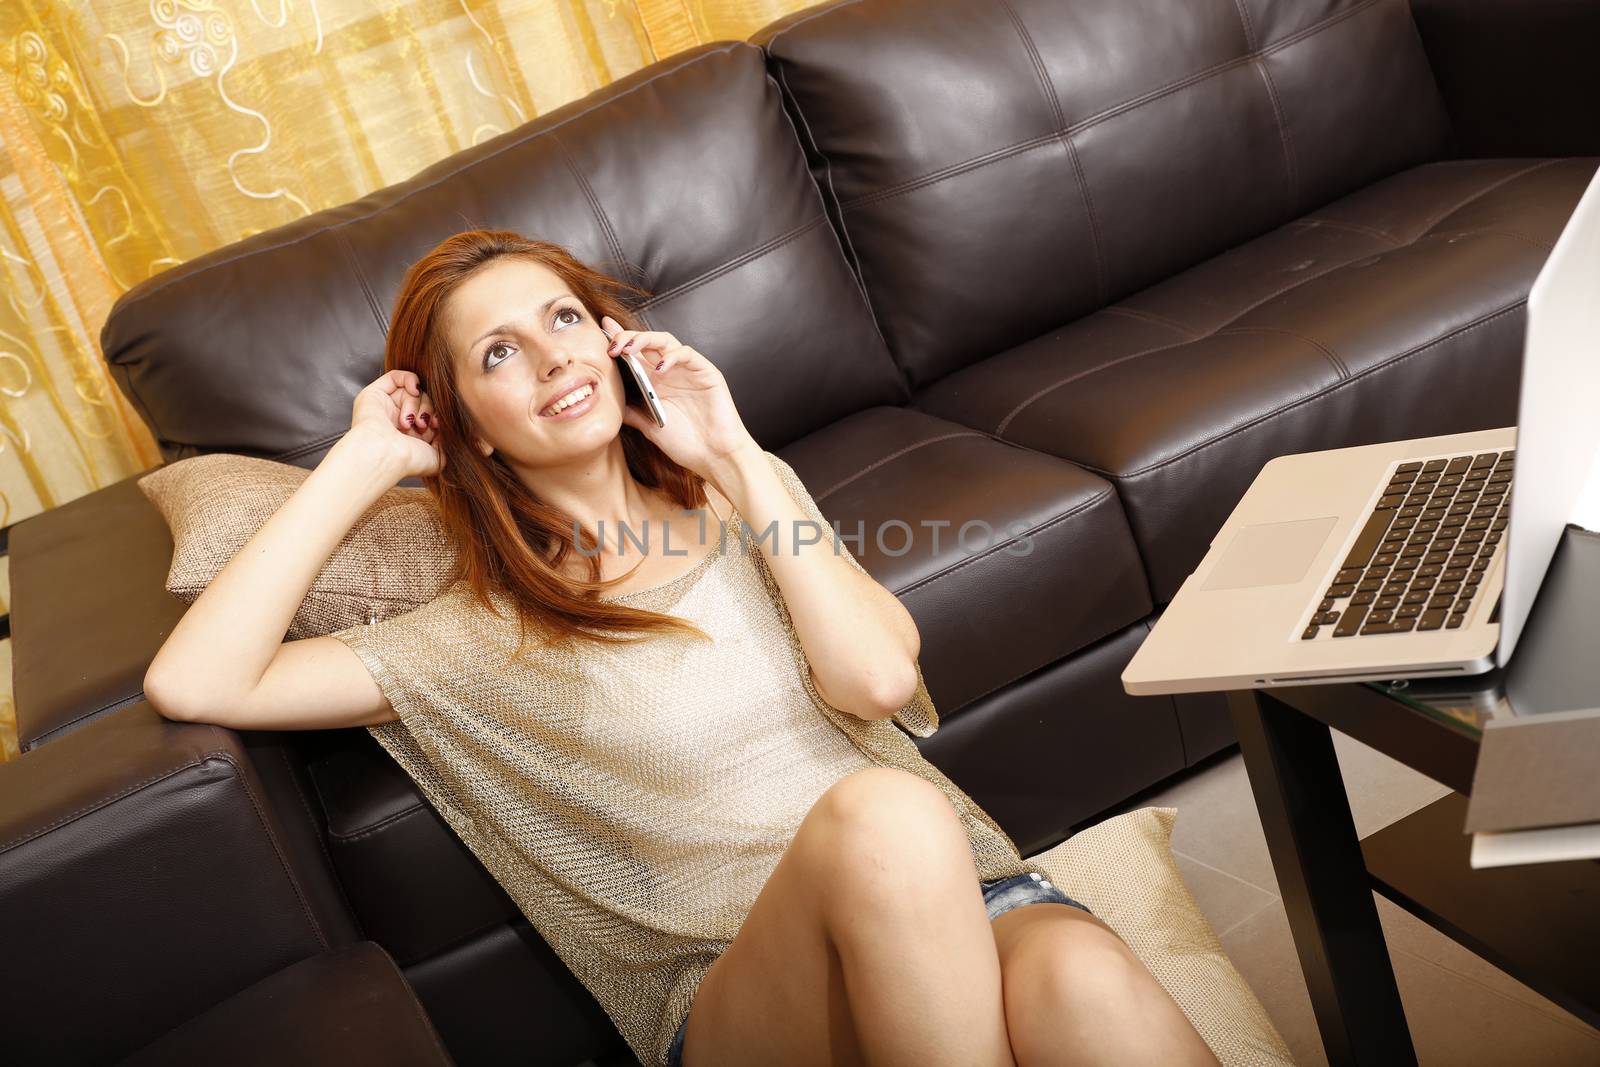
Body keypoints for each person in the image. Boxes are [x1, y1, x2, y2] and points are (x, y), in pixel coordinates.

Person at [143, 230, 1221, 1067]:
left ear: (613, 345)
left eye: (564, 316)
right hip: (742, 992)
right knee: (885, 807)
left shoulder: (742, 499)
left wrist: (739, 454)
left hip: (967, 900)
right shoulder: (475, 636)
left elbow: (879, 679)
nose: (552, 354)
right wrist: (366, 458)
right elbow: (196, 679)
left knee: (1085, 978)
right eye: (499, 353)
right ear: (465, 421)